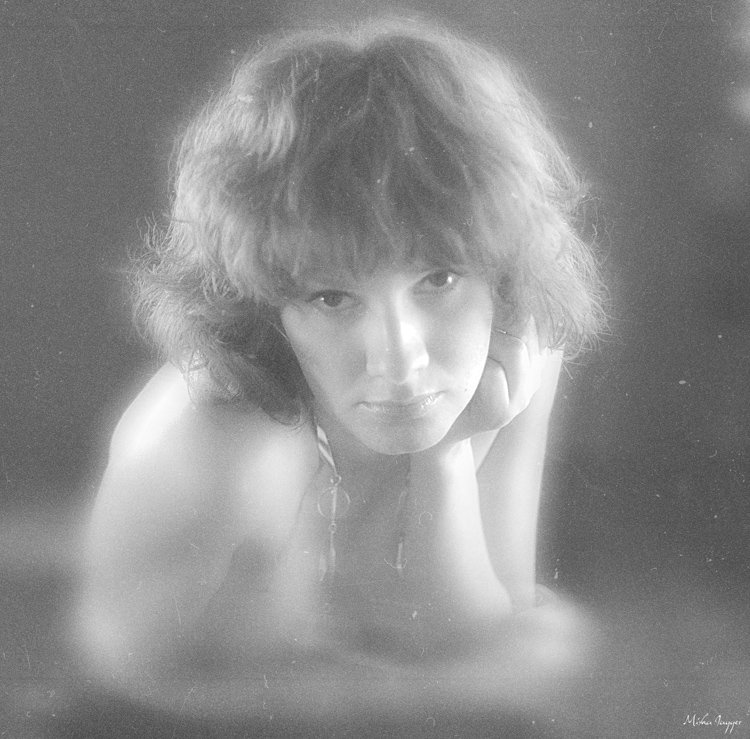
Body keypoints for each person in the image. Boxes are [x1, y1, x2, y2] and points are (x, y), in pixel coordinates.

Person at [76, 14, 604, 724]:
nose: (402, 358)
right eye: (331, 296)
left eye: (439, 279)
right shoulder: (212, 433)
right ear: (267, 307)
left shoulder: (513, 354)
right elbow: (146, 692)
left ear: (500, 275)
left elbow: (480, 630)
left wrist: (445, 455)